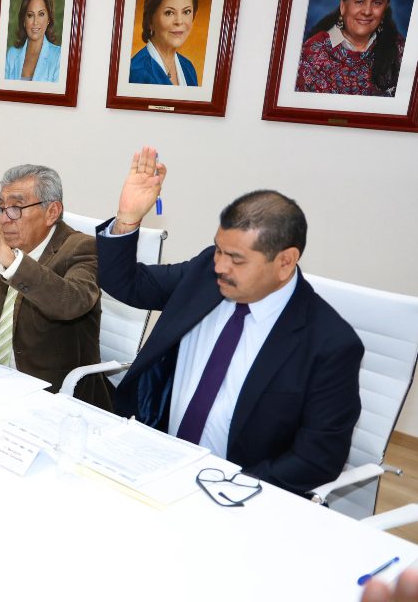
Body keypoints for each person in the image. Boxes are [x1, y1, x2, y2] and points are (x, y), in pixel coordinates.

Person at [98, 147, 363, 496]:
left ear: (285, 262)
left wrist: (223, 487)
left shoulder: (329, 343)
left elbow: (317, 459)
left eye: (236, 259)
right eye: (219, 250)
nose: (221, 266)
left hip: (241, 492)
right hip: (158, 461)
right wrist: (127, 218)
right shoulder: (207, 272)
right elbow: (127, 283)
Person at [0, 165, 112, 410]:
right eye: (1, 207)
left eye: (16, 208)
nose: (4, 218)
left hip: (54, 398)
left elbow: (70, 302)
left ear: (52, 212)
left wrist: (11, 261)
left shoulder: (82, 248)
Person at [296, 0, 405, 97]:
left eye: (377, 3)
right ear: (343, 6)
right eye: (359, 2)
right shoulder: (313, 51)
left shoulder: (398, 49)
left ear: (385, 10)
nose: (367, 11)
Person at [128, 0, 199, 86]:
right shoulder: (136, 73)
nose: (179, 21)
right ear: (150, 20)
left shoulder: (188, 68)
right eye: (169, 13)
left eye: (186, 12)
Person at [4, 0, 61, 82]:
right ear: (24, 20)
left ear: (48, 19)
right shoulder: (11, 55)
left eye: (41, 14)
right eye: (30, 15)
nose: (35, 22)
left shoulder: (59, 56)